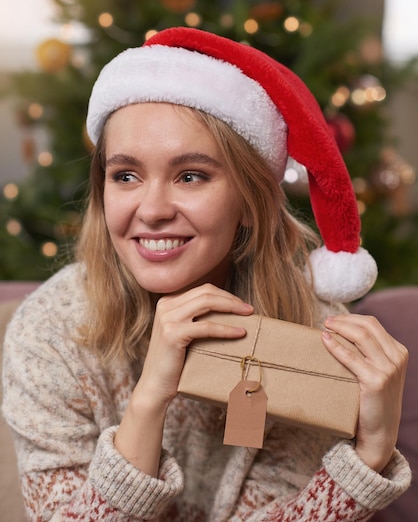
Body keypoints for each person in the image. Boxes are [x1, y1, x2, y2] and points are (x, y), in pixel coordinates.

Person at [2, 27, 411, 521]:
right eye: (125, 175)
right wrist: (149, 400)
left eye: (190, 175)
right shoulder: (51, 333)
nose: (151, 210)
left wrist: (366, 460)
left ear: (248, 202)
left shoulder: (310, 332)